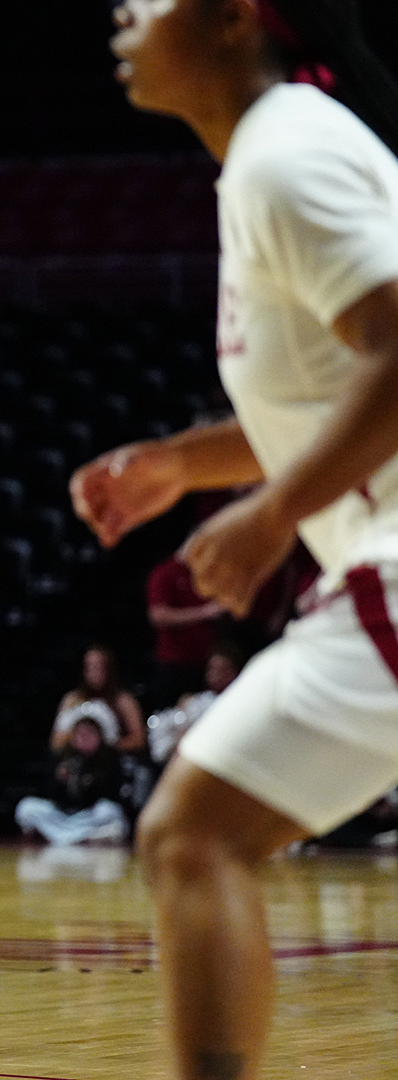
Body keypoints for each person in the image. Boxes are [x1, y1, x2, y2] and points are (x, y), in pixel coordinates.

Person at [77, 3, 398, 1076]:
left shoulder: (284, 153)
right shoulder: (278, 148)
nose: (125, 9)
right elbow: (323, 392)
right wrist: (178, 464)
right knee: (194, 833)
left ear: (234, 17)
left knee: (191, 834)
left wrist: (268, 519)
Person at [16, 716, 131, 847]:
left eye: (90, 734)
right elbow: (49, 795)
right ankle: (69, 837)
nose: (85, 739)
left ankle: (85, 836)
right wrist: (60, 782)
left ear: (100, 736)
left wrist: (91, 783)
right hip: (63, 816)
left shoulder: (109, 758)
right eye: (81, 735)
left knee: (109, 810)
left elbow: (112, 795)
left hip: (90, 816)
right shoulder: (63, 756)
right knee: (26, 807)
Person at [147, 554, 226, 708]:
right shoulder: (166, 572)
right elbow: (158, 615)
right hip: (175, 663)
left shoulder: (208, 574)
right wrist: (204, 612)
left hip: (204, 661)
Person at [149, 645, 247, 765]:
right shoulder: (195, 701)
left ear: (235, 672)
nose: (215, 674)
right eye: (211, 669)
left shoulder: (242, 703)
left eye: (222, 669)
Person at [51, 646, 147, 756]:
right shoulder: (72, 699)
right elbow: (56, 742)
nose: (93, 673)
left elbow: (139, 740)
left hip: (115, 762)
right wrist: (83, 742)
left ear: (109, 669)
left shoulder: (124, 701)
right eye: (89, 667)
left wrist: (105, 746)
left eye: (98, 667)